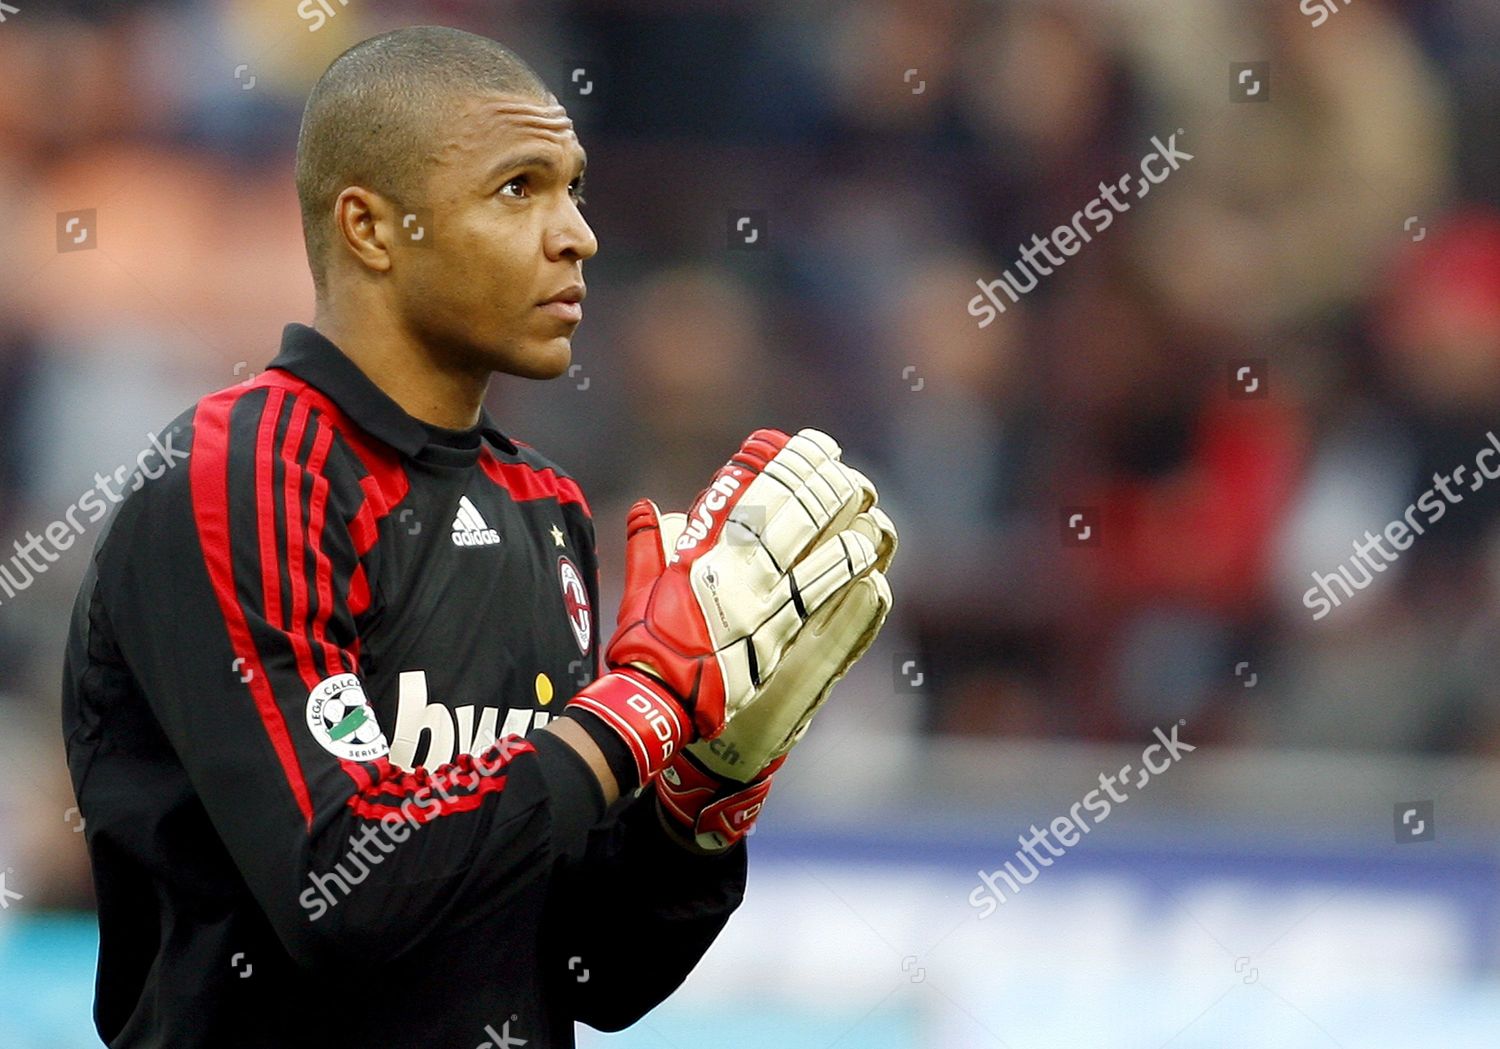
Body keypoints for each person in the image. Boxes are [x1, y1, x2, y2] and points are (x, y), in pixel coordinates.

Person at [60, 25, 894, 1048]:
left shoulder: (539, 504)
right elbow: (338, 885)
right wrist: (637, 708)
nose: (578, 233)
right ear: (370, 227)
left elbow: (595, 967)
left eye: (575, 186)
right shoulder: (243, 467)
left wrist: (697, 799)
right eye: (520, 188)